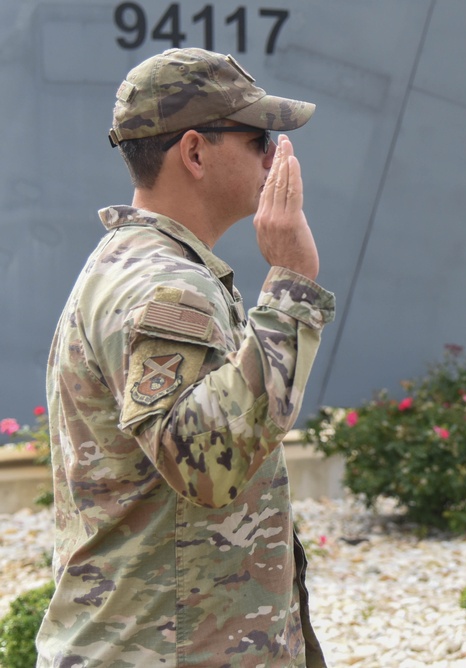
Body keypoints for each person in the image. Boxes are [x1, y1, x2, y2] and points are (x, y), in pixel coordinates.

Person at [38, 48, 333, 666]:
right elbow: (208, 466)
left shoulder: (146, 266)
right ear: (195, 152)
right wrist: (293, 287)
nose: (276, 155)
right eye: (260, 138)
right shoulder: (166, 285)